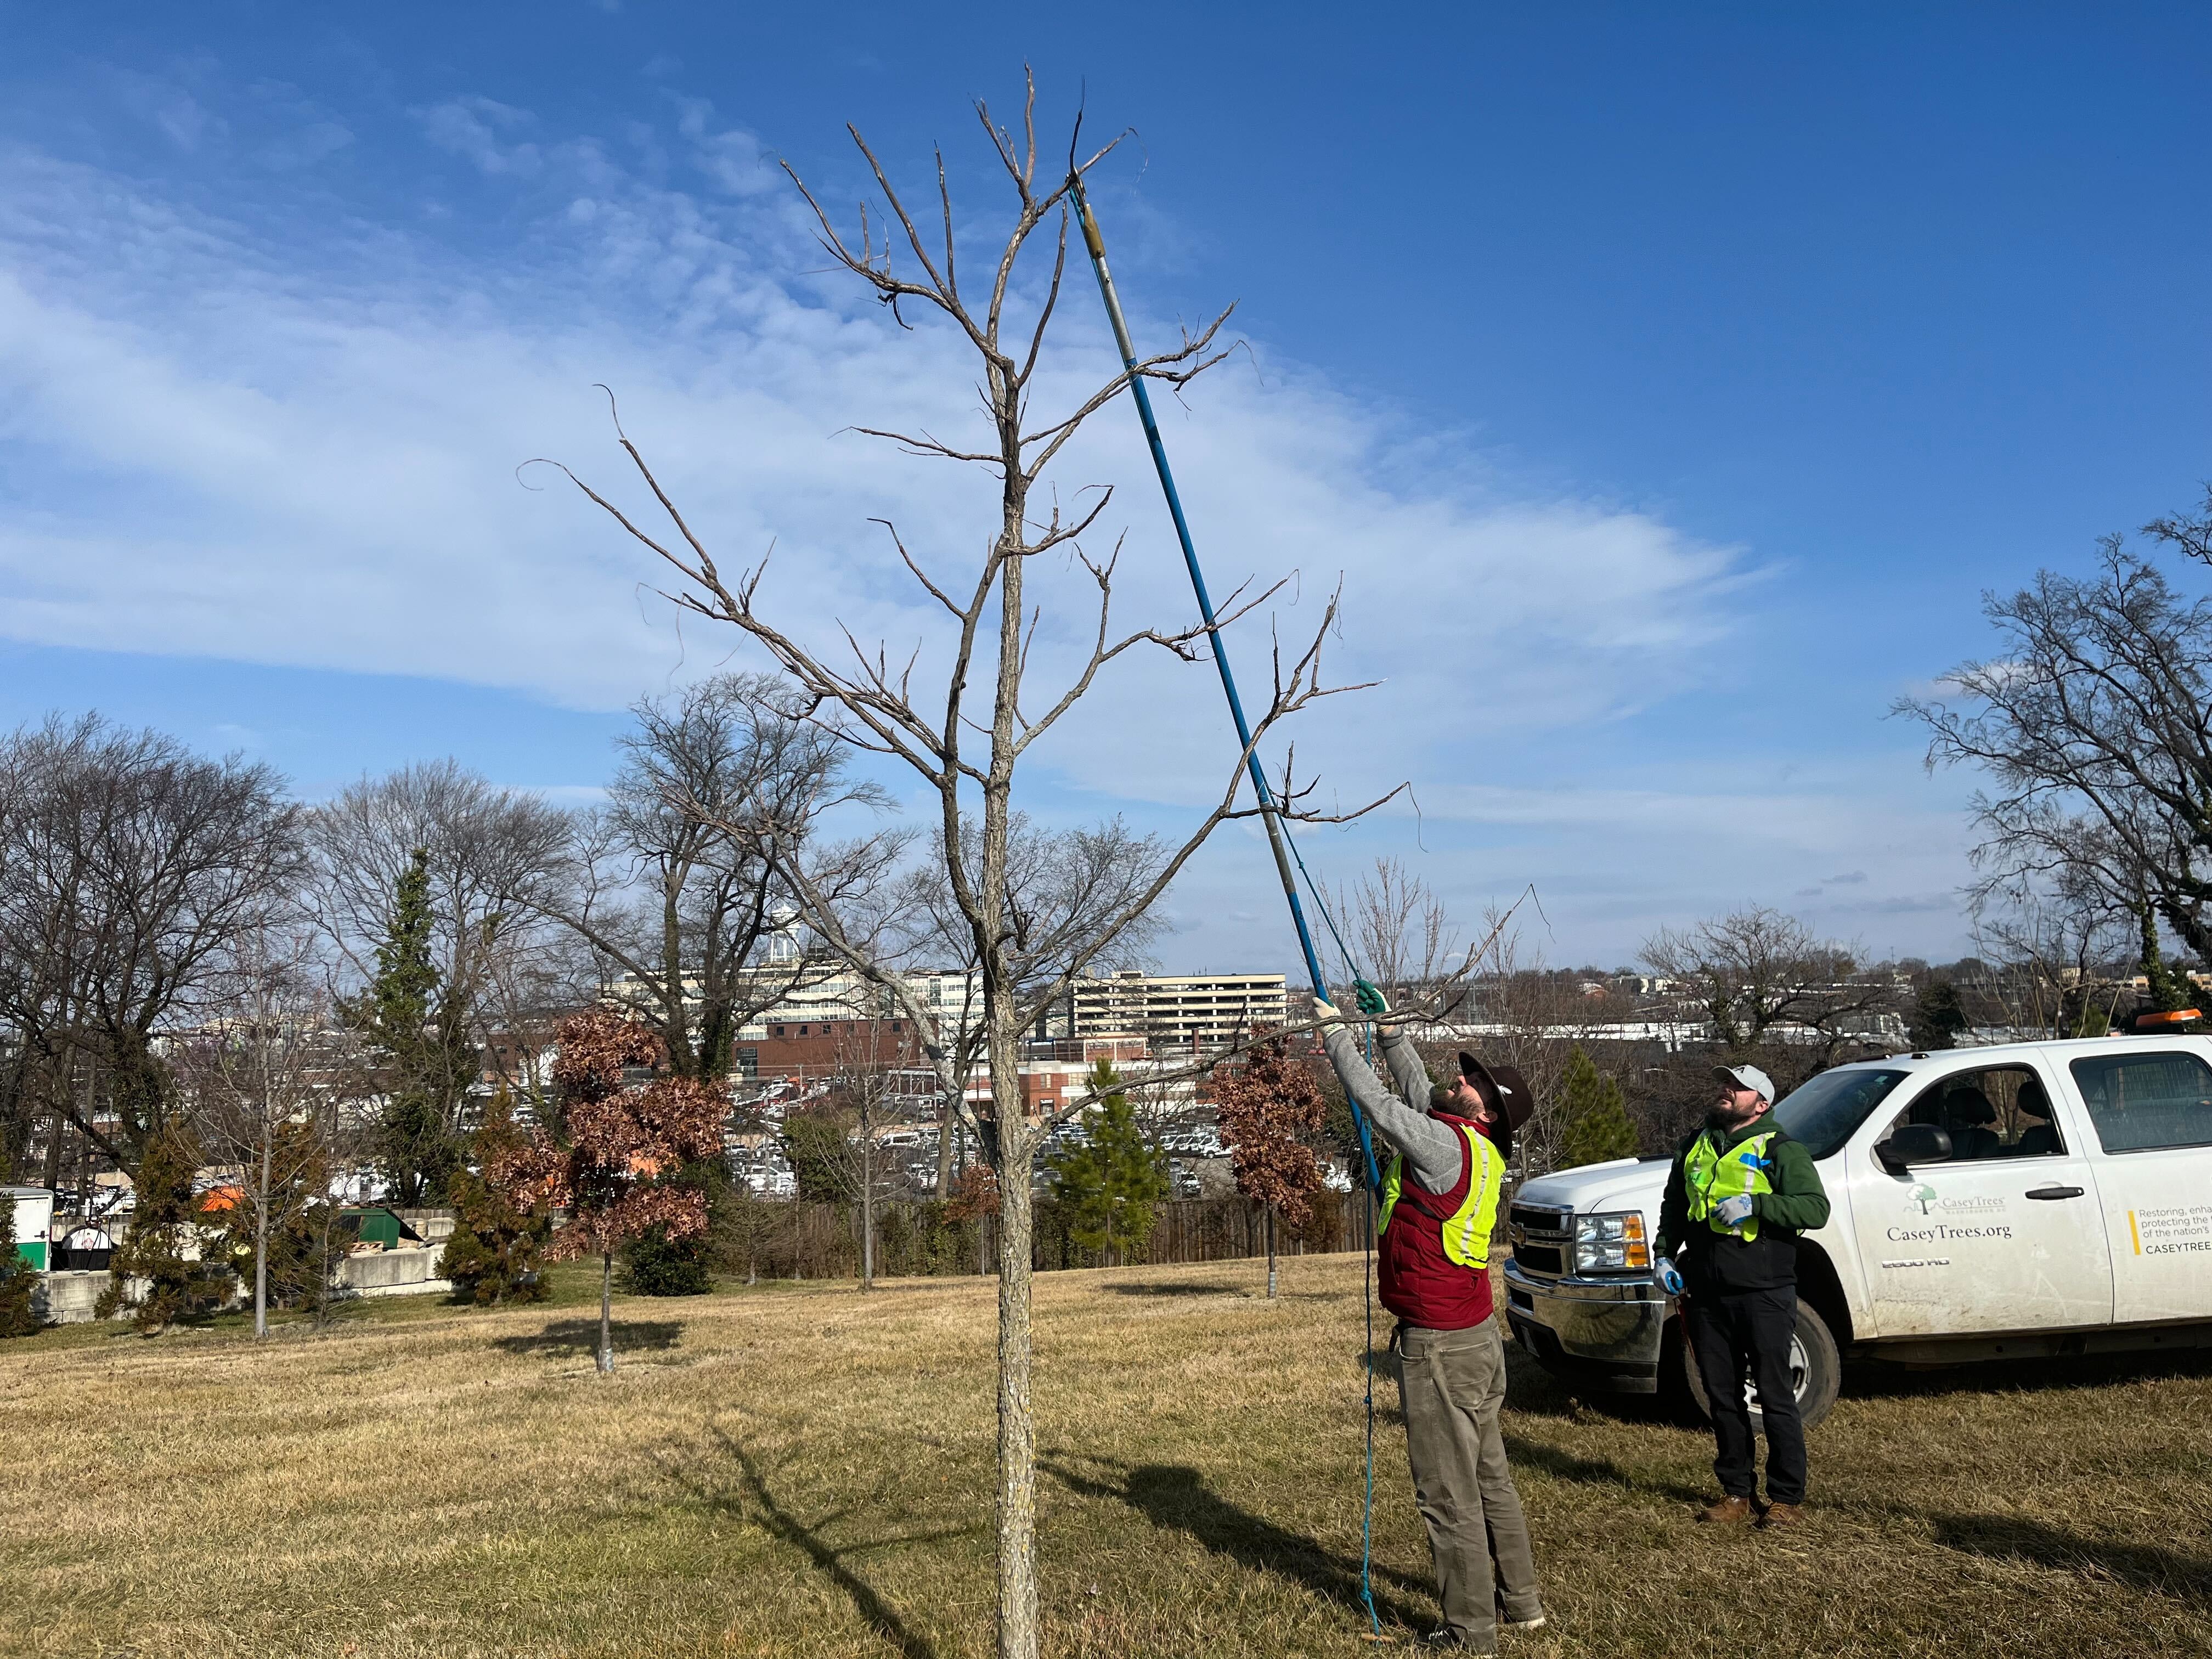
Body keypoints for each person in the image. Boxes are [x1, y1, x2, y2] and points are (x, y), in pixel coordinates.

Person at [1314, 980, 1544, 1651]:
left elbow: (1383, 1107)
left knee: (1448, 1495)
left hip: (1440, 1350)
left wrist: (1334, 1036)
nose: (1459, 1078)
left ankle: (1470, 1632)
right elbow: (1420, 1097)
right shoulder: (1474, 1147)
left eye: (1471, 1081)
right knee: (1489, 1476)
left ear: (1486, 1111)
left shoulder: (1444, 1147)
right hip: (1475, 1339)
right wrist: (1389, 1033)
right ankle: (1521, 1603)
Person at [1655, 1063, 1831, 1529]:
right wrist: (1664, 1256)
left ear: (1763, 1103)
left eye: (1738, 1087)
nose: (1726, 1091)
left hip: (1765, 1291)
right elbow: (1674, 1204)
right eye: (1725, 1085)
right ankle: (1737, 1493)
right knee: (1722, 1397)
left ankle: (1787, 1499)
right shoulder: (1696, 1145)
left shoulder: (1781, 1149)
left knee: (1774, 1395)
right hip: (1706, 1291)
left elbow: (1816, 1208)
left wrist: (1758, 1204)